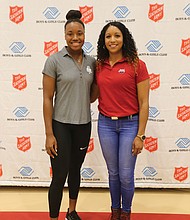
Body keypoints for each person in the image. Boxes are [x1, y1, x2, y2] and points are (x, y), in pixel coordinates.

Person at [91, 22, 150, 220]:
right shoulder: (99, 65)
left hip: (130, 125)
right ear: (103, 41)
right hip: (106, 124)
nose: (113, 40)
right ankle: (114, 211)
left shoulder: (137, 65)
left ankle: (126, 212)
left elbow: (144, 103)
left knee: (125, 174)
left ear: (124, 38)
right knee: (113, 173)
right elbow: (92, 96)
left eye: (117, 36)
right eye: (108, 36)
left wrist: (140, 135)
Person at [42, 10, 95, 220]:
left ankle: (71, 212)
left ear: (84, 35)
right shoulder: (54, 61)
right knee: (60, 174)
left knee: (75, 170)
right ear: (65, 35)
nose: (75, 38)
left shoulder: (92, 62)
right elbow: (47, 98)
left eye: (80, 33)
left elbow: (92, 96)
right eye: (71, 33)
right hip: (61, 125)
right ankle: (53, 217)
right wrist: (49, 134)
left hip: (83, 125)